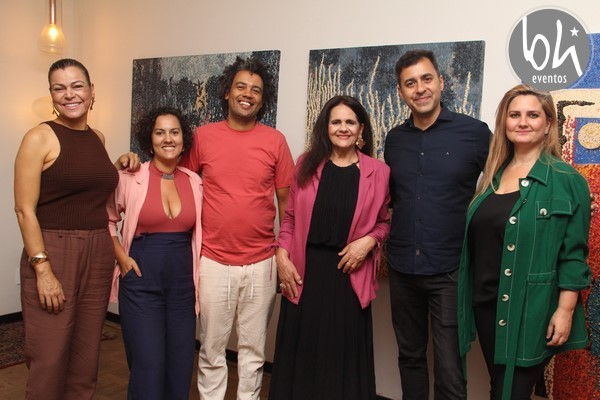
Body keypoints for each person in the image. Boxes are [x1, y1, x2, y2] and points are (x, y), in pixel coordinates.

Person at [13, 58, 139, 400]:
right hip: (54, 251)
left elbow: (85, 184)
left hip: (98, 251)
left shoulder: (97, 137)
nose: (69, 94)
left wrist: (117, 165)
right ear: (52, 95)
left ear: (92, 91)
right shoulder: (39, 137)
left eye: (77, 86)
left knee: (86, 354)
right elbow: (24, 210)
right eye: (59, 88)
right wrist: (42, 270)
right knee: (49, 354)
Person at [457, 84, 591, 400]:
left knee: (511, 392)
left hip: (532, 306)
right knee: (499, 386)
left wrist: (565, 310)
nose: (522, 122)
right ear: (504, 122)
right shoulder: (492, 176)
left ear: (548, 124)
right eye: (514, 115)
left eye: (533, 115)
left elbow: (574, 254)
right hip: (485, 304)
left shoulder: (567, 180)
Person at [179, 55, 295, 400]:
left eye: (256, 89)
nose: (248, 94)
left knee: (253, 352)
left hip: (262, 263)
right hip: (213, 261)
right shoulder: (202, 137)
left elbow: (287, 205)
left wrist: (284, 254)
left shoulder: (275, 141)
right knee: (212, 349)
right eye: (241, 87)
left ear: (263, 98)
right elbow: (178, 182)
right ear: (227, 93)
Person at [383, 49, 491, 400]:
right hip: (402, 267)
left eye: (426, 79)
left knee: (450, 368)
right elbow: (392, 198)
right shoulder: (394, 140)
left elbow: (503, 184)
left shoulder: (474, 133)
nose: (420, 89)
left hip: (449, 270)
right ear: (401, 92)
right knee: (409, 357)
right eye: (410, 83)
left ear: (441, 82)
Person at [268, 95, 391, 400]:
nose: (343, 128)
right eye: (336, 122)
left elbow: (384, 222)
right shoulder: (306, 164)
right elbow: (290, 219)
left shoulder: (379, 172)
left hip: (349, 275)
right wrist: (281, 254)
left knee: (341, 359)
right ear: (326, 127)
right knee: (302, 356)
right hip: (304, 273)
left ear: (361, 128)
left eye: (350, 122)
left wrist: (369, 241)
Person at [106, 107, 202, 400]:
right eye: (160, 132)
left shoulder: (195, 181)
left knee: (180, 364)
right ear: (150, 139)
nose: (168, 139)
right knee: (148, 364)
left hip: (183, 284)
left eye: (174, 132)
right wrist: (121, 257)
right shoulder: (130, 177)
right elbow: (105, 218)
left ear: (183, 140)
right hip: (141, 279)